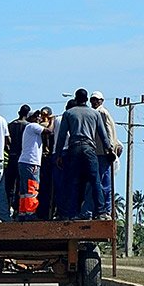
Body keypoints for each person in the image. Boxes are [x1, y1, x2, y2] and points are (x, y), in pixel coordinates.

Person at [53, 88, 115, 220]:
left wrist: (58, 155)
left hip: (74, 148)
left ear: (76, 99)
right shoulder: (94, 114)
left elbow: (62, 136)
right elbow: (103, 136)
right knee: (95, 180)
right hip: (89, 148)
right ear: (87, 99)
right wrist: (109, 149)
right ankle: (101, 212)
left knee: (73, 181)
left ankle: (72, 213)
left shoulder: (68, 113)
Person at [89, 91, 123, 218]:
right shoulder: (98, 112)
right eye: (92, 99)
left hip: (102, 152)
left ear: (101, 101)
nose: (94, 102)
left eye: (96, 100)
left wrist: (109, 149)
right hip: (100, 151)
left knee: (104, 182)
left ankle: (106, 209)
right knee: (103, 181)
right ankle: (104, 209)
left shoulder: (101, 112)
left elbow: (107, 131)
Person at [15, 109, 50, 221]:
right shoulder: (33, 126)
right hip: (31, 162)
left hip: (24, 161)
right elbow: (49, 131)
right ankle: (31, 212)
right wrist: (52, 120)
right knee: (32, 188)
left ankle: (23, 212)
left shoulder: (29, 128)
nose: (39, 118)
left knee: (24, 190)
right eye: (37, 116)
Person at [4, 105, 31, 219]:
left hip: (11, 156)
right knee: (20, 186)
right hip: (22, 157)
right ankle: (17, 209)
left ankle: (7, 208)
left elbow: (7, 141)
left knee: (9, 185)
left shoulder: (10, 124)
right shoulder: (28, 126)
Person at [35, 106, 58, 220]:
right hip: (46, 159)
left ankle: (42, 212)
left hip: (42, 159)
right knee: (48, 188)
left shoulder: (37, 127)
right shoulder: (46, 127)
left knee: (43, 187)